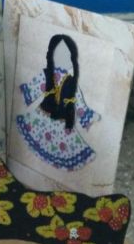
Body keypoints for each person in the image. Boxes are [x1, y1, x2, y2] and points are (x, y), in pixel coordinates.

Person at [15, 34, 100, 171]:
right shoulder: (47, 75)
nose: (62, 59)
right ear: (51, 55)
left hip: (62, 124)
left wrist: (87, 118)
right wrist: (23, 90)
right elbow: (33, 88)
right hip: (41, 117)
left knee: (65, 148)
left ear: (72, 59)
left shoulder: (72, 83)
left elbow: (79, 104)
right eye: (58, 54)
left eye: (66, 56)